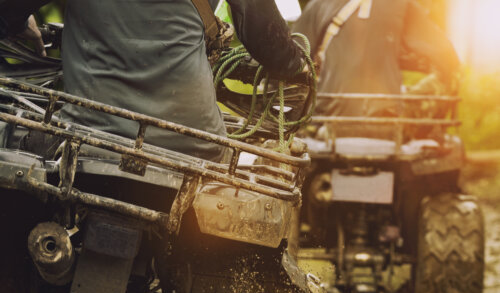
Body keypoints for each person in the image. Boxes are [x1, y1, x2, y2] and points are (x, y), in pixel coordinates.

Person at [0, 0, 305, 159]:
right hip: (194, 142)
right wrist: (297, 65)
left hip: (89, 133)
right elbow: (267, 41)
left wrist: (19, 21)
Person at [293, 0, 460, 137]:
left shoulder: (318, 4)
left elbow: (294, 60)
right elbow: (446, 56)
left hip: (325, 119)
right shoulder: (401, 5)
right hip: (386, 120)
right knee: (443, 82)